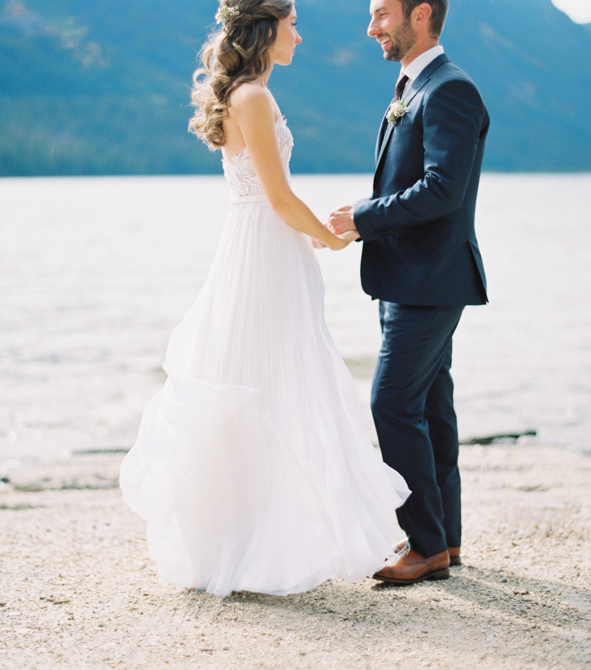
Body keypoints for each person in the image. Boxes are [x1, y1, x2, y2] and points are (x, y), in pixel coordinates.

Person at [119, 0, 410, 598]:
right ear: (267, 27)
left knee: (267, 376)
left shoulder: (248, 94)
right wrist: (330, 236)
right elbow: (278, 196)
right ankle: (256, 545)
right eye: (293, 24)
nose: (300, 37)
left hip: (259, 246)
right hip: (264, 247)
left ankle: (262, 535)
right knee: (274, 378)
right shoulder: (253, 97)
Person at [328, 0, 489, 585]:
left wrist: (364, 217)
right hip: (409, 278)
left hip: (430, 279)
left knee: (390, 403)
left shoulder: (449, 89)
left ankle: (423, 546)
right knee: (427, 406)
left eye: (380, 14)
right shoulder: (416, 87)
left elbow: (443, 189)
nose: (371, 28)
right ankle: (443, 538)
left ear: (420, 14)